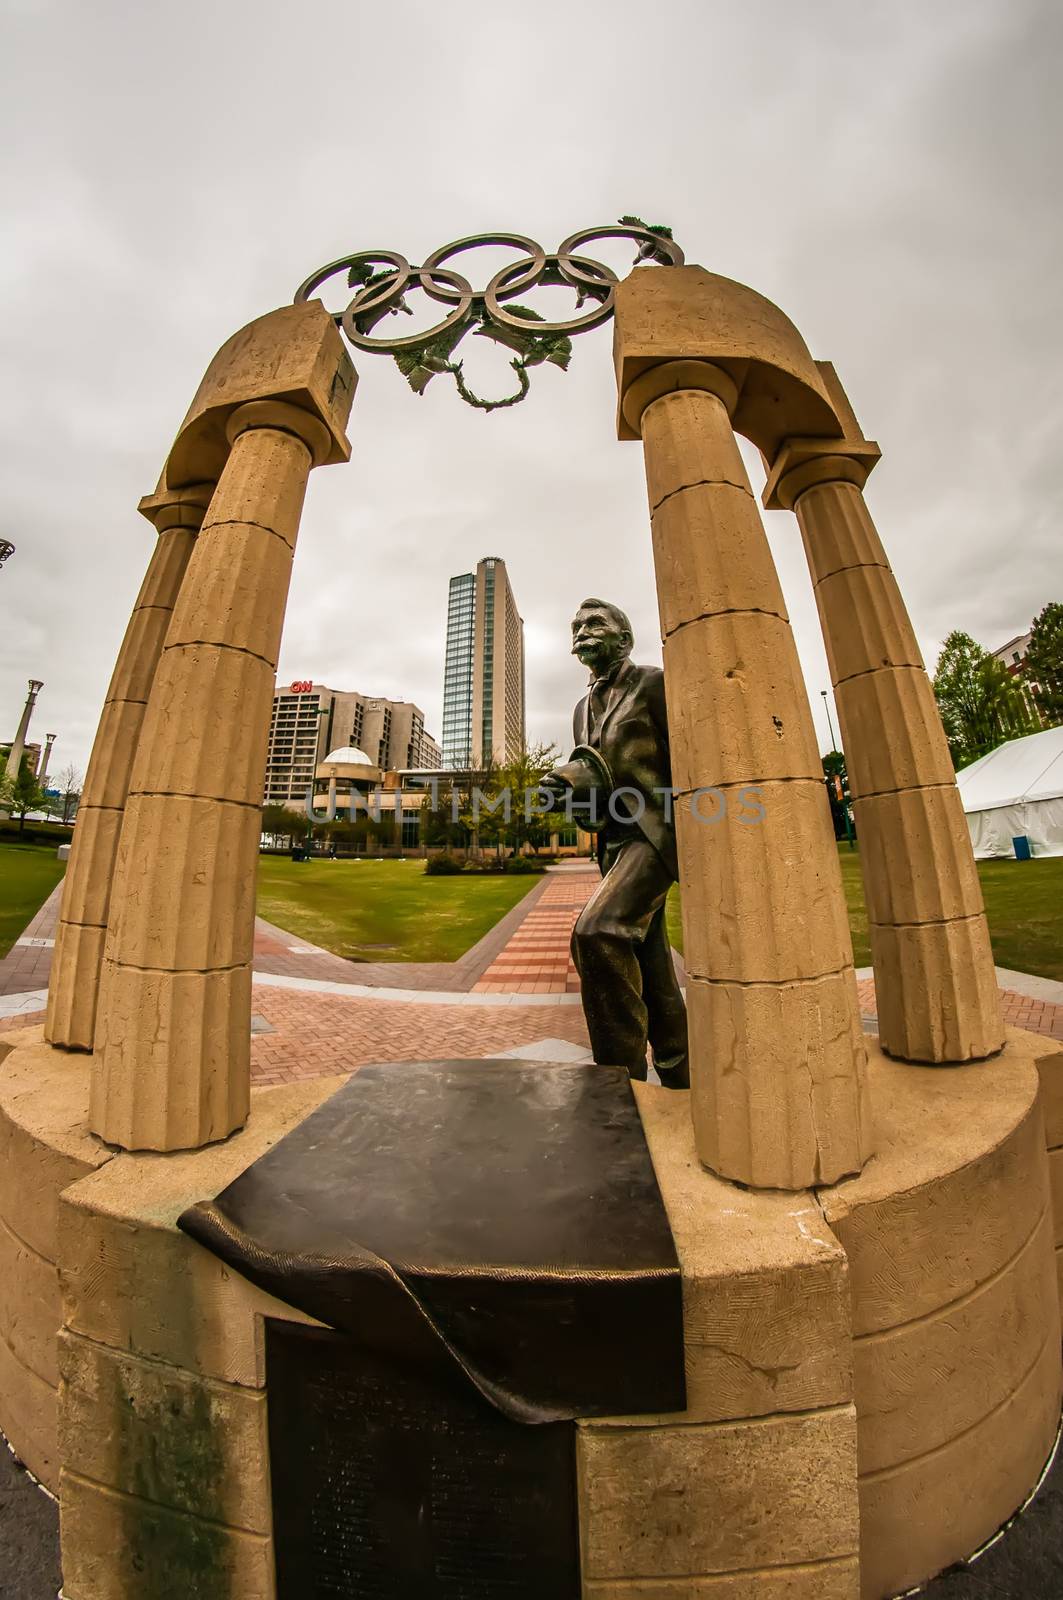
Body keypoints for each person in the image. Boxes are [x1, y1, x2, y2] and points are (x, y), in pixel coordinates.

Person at [545, 598, 688, 1089]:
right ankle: (678, 1063)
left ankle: (619, 1079)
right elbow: (594, 768)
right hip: (611, 841)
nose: (581, 631)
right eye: (576, 625)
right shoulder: (581, 708)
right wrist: (564, 786)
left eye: (594, 624)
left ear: (624, 640)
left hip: (654, 835)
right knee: (649, 955)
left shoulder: (654, 683)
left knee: (598, 931)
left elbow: (684, 756)